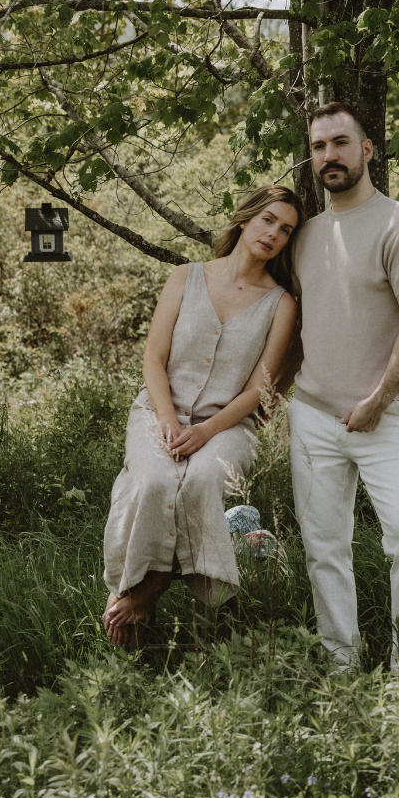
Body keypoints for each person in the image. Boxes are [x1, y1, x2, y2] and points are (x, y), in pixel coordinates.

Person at [101, 186, 303, 647]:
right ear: (245, 219)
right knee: (154, 482)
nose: (274, 234)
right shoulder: (185, 277)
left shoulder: (281, 303)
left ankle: (145, 594)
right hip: (158, 410)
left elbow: (259, 389)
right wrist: (168, 420)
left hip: (229, 423)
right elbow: (153, 357)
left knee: (202, 480)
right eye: (268, 220)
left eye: (286, 230)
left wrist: (206, 430)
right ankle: (132, 587)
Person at [290, 102, 399, 674]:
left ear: (367, 150)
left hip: (387, 416)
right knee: (324, 546)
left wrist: (378, 400)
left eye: (341, 143)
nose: (329, 155)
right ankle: (341, 662)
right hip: (312, 417)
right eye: (319, 146)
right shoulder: (306, 235)